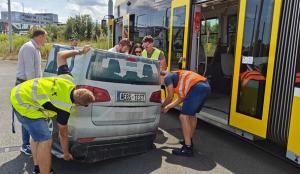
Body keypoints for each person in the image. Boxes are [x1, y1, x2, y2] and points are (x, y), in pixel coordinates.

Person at [10, 45, 95, 174]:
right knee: (45, 139)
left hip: (21, 89)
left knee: (37, 135)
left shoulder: (68, 78)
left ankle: (38, 168)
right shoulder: (64, 109)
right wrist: (66, 153)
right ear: (78, 103)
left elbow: (60, 55)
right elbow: (63, 135)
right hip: (23, 102)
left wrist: (80, 51)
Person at [160, 70, 211, 156]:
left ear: (161, 75)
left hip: (196, 88)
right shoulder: (178, 77)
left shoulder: (167, 77)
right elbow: (181, 98)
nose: (161, 84)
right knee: (191, 115)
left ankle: (187, 148)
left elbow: (170, 96)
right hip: (206, 87)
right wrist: (168, 107)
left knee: (183, 117)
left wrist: (162, 106)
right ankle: (189, 140)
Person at [15, 28, 48, 156]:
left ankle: (28, 143)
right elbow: (30, 71)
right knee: (27, 114)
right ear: (39, 37)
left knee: (29, 114)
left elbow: (37, 70)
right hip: (25, 84)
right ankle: (25, 144)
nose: (46, 40)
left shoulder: (35, 48)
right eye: (45, 37)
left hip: (29, 84)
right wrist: (33, 90)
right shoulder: (29, 47)